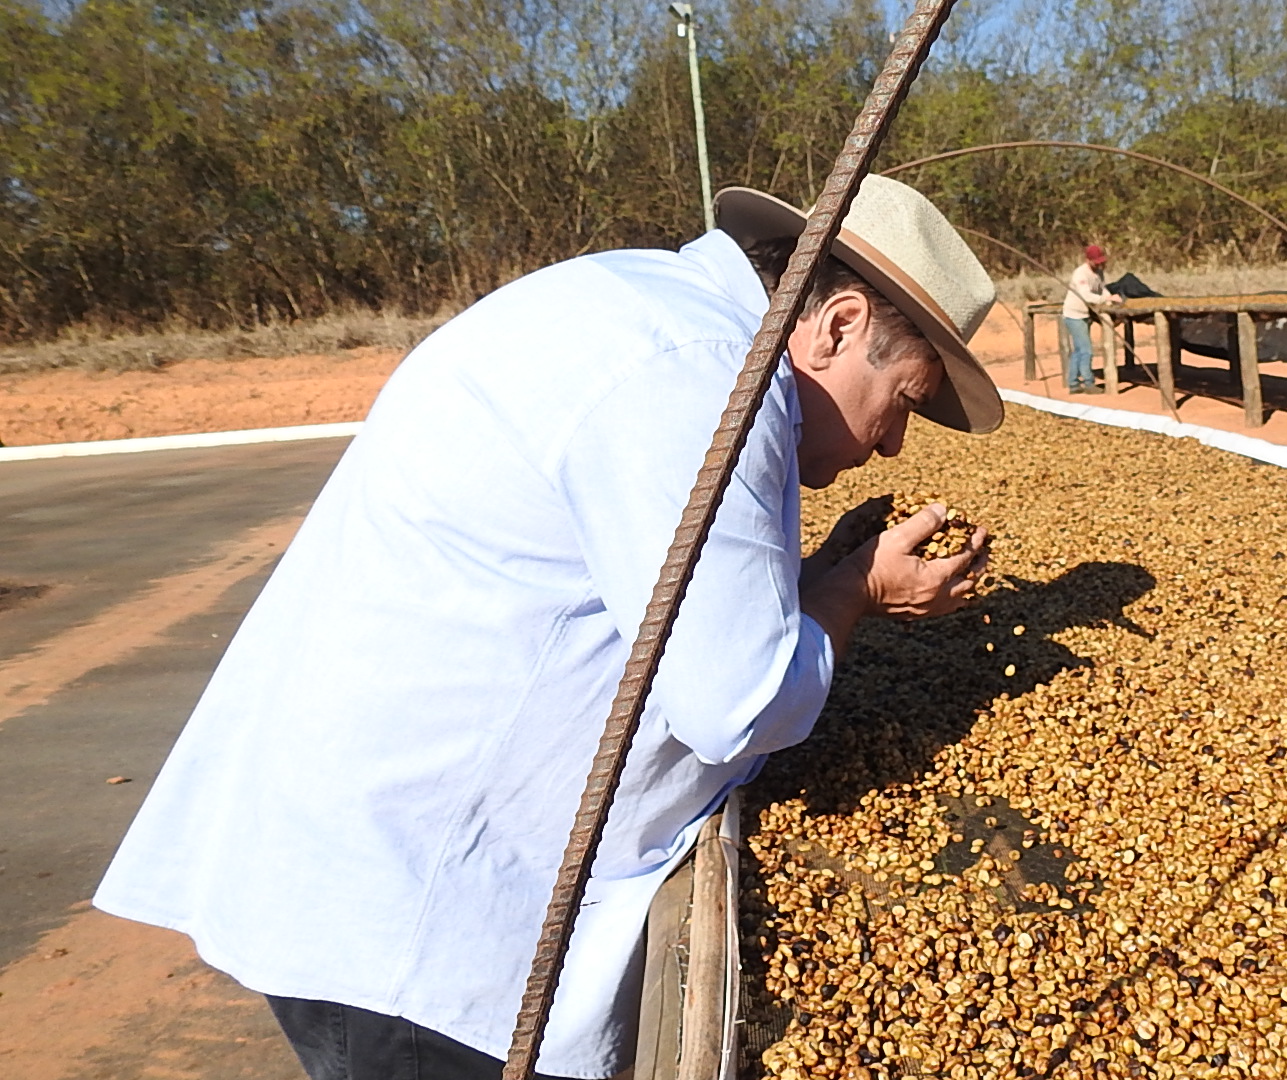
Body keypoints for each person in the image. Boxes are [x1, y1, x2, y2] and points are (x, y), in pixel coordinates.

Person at [92, 175, 1001, 1080]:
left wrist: (802, 589)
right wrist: (854, 597)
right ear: (837, 325)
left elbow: (644, 597)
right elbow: (738, 703)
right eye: (906, 404)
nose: (891, 446)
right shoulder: (704, 373)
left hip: (359, 850)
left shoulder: (630, 301)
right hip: (424, 913)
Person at [1061, 243, 1120, 393]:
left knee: (1079, 349)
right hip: (1074, 314)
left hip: (1084, 314)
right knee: (1086, 350)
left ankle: (1073, 383)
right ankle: (1088, 383)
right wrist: (1104, 300)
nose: (1100, 264)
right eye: (1097, 261)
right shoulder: (1080, 274)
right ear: (1088, 260)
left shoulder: (1098, 273)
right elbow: (1085, 295)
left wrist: (1110, 298)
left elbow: (1102, 289)